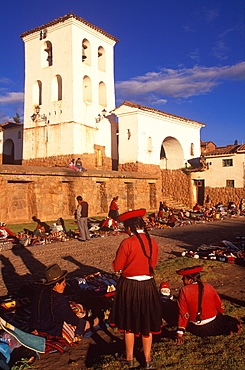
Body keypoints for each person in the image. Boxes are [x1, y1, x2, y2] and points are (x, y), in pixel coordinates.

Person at [110, 209, 162, 369]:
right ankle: (147, 359)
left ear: (130, 227)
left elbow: (117, 266)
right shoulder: (153, 242)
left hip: (130, 286)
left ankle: (130, 357)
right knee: (146, 322)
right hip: (147, 285)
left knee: (128, 323)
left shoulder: (127, 243)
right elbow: (152, 265)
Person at [175, 265, 241, 344]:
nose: (182, 280)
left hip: (197, 330)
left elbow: (183, 313)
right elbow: (220, 306)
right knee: (227, 319)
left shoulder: (183, 290)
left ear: (190, 280)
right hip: (214, 326)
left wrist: (179, 334)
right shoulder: (209, 286)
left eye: (184, 278)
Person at [31, 264, 98, 339]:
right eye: (63, 283)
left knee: (76, 310)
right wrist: (87, 324)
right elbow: (73, 321)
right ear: (56, 284)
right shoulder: (59, 300)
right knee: (81, 319)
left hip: (36, 325)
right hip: (52, 331)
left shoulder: (40, 290)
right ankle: (92, 323)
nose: (65, 285)